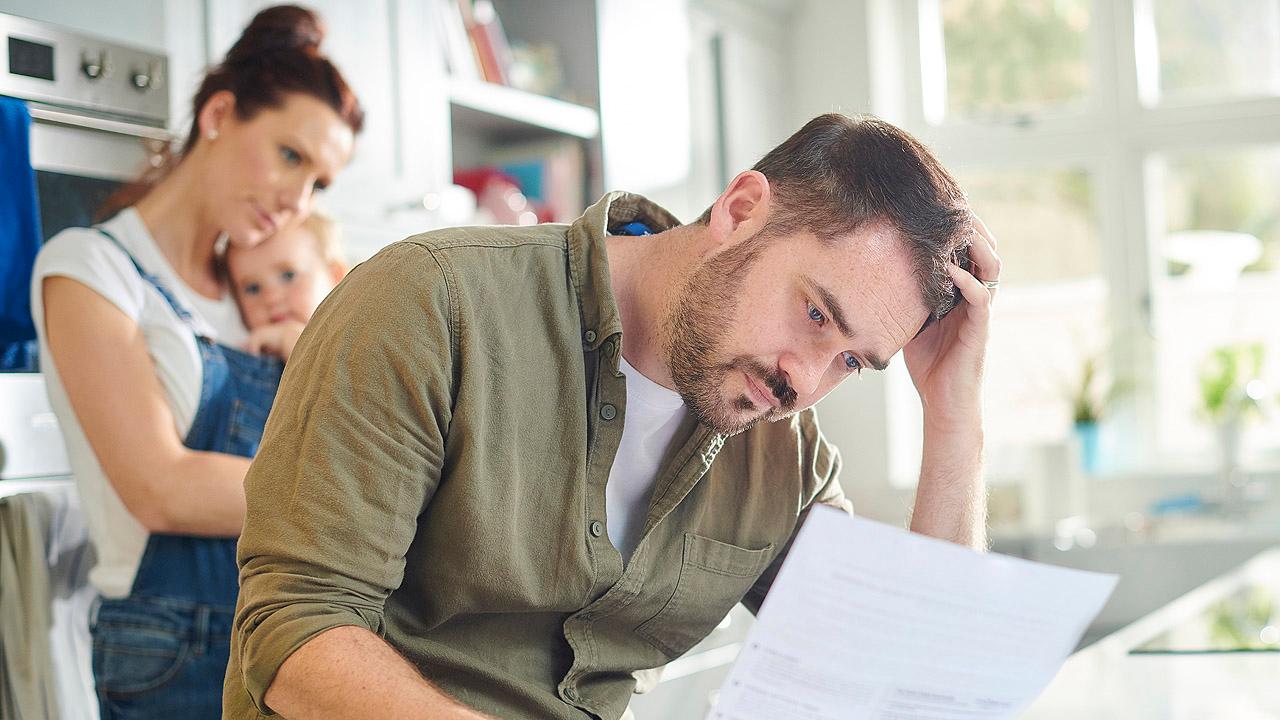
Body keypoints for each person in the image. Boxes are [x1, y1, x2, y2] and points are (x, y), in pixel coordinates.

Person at [224, 113, 1002, 720]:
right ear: (740, 210)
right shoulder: (431, 304)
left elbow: (908, 678)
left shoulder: (781, 452)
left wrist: (954, 415)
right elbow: (295, 631)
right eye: (815, 314)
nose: (806, 379)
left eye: (853, 363)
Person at [30, 6, 362, 718]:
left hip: (299, 631)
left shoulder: (258, 292)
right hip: (173, 650)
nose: (296, 201)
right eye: (290, 156)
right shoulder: (91, 269)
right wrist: (367, 501)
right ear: (218, 115)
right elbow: (162, 488)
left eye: (319, 184)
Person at [225, 212, 348, 361]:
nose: (271, 298)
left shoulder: (355, 341)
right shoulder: (248, 350)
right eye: (253, 288)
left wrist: (296, 342)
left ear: (336, 277)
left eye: (288, 276)